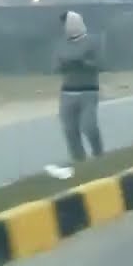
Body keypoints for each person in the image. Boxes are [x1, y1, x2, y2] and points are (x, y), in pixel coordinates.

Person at [55, 10, 104, 163]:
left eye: (66, 23)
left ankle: (99, 154)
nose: (64, 27)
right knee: (70, 130)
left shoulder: (92, 41)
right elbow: (55, 66)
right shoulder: (62, 44)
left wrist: (84, 63)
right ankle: (79, 161)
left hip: (88, 90)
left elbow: (101, 64)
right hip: (67, 91)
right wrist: (64, 65)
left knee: (89, 126)